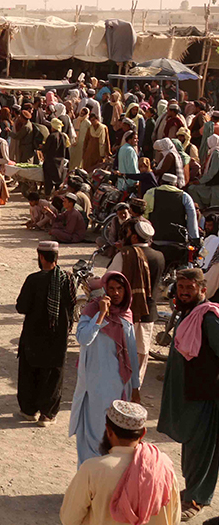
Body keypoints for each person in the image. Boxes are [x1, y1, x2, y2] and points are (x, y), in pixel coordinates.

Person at [157, 268, 219, 520]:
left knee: (202, 449)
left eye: (189, 288)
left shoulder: (207, 318)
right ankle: (191, 490)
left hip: (205, 394)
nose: (183, 292)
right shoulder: (188, 314)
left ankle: (197, 498)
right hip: (189, 393)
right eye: (181, 288)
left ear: (202, 290)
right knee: (191, 446)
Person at [60, 400, 179, 525]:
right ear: (143, 433)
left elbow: (69, 519)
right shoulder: (163, 466)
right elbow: (174, 518)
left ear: (109, 431)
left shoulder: (92, 469)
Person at [70, 271, 141, 467]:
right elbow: (84, 338)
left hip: (119, 386)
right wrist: (101, 315)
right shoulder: (92, 311)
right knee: (93, 434)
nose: (116, 293)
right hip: (94, 386)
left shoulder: (126, 315)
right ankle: (88, 480)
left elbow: (132, 354)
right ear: (104, 291)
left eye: (120, 289)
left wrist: (135, 387)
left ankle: (106, 481)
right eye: (111, 289)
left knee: (113, 435)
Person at [16, 240, 77, 427]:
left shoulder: (33, 280)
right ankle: (47, 414)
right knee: (52, 375)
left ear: (41, 257)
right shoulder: (67, 279)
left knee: (30, 371)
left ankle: (29, 410)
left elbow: (21, 307)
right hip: (57, 336)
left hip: (33, 335)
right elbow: (72, 305)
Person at [105, 218, 164, 387]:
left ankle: (118, 389)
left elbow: (109, 278)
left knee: (120, 352)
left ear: (135, 238)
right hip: (148, 313)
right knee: (140, 353)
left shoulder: (124, 255)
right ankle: (134, 391)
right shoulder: (159, 256)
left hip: (125, 312)